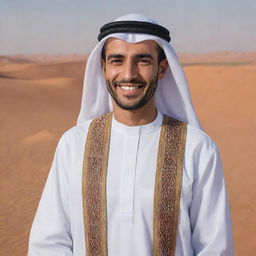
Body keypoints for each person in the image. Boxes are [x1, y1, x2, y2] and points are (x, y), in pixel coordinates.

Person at [28, 14, 234, 256]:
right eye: (117, 60)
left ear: (162, 69)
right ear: (104, 68)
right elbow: (49, 243)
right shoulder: (73, 145)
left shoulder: (197, 148)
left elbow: (214, 247)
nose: (128, 74)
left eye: (143, 61)